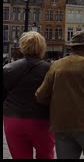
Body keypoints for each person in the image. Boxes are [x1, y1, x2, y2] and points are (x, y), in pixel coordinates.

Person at [3, 31, 54, 159]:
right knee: (45, 156)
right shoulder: (49, 69)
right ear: (42, 48)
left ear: (22, 46)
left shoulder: (8, 69)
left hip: (13, 120)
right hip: (41, 120)